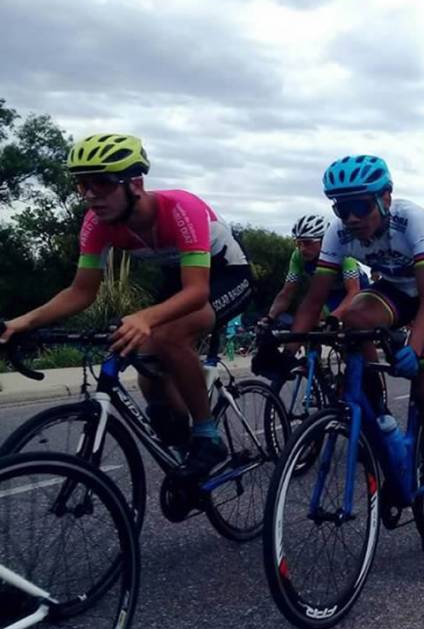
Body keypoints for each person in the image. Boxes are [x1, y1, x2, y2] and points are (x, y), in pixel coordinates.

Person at [0, 133, 253, 476]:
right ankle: (184, 453)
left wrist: (145, 317)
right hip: (178, 276)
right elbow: (80, 292)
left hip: (226, 275)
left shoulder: (181, 208)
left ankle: (207, 435)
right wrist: (25, 321)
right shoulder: (97, 224)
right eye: (82, 185)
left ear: (135, 183)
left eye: (101, 184)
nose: (90, 196)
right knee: (147, 366)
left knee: (168, 336)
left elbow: (196, 291)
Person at [290, 155, 424, 553]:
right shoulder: (339, 233)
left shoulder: (413, 221)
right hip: (396, 288)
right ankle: (377, 411)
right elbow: (315, 299)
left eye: (359, 206)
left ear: (386, 197)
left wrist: (415, 348)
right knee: (350, 318)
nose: (350, 218)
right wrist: (290, 347)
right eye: (340, 208)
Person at [263, 214, 367, 325]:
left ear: (324, 241)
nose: (302, 249)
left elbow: (353, 291)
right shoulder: (298, 256)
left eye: (308, 243)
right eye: (298, 243)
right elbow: (287, 292)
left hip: (359, 292)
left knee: (356, 324)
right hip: (331, 295)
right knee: (310, 320)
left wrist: (334, 317)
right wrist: (270, 318)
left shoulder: (342, 253)